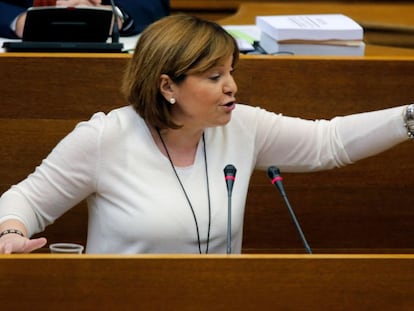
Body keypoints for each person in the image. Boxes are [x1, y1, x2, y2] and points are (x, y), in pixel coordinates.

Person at [0, 14, 413, 254]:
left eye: (232, 71)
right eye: (215, 76)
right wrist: (12, 233)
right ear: (167, 87)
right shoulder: (105, 138)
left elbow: (329, 142)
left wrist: (409, 118)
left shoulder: (242, 126)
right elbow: (24, 200)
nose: (231, 86)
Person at [0, 0, 170, 39]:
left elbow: (156, 3)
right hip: (16, 42)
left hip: (112, 43)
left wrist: (119, 14)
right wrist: (15, 19)